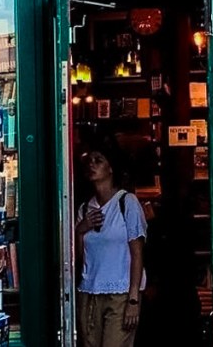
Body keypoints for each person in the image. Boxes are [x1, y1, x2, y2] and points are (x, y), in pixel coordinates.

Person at [75, 143, 147, 347]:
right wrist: (81, 229)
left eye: (99, 160)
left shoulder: (127, 202)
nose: (92, 165)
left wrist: (133, 299)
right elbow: (80, 258)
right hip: (90, 292)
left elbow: (137, 253)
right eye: (89, 161)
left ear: (111, 168)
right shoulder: (85, 208)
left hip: (121, 293)